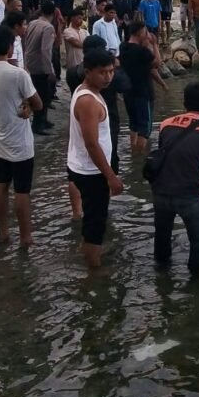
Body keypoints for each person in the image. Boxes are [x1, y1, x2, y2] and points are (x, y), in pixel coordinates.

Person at [150, 82, 199, 278]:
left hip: (161, 192)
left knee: (162, 235)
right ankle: (196, 282)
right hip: (191, 196)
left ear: (184, 102)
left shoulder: (165, 124)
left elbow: (162, 156)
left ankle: (162, 274)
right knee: (198, 242)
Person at [0, 25, 42, 246]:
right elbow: (38, 103)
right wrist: (28, 107)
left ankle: (4, 232)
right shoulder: (18, 74)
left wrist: (24, 104)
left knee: (2, 185)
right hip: (19, 139)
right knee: (22, 190)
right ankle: (26, 236)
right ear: (9, 47)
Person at [67, 48, 123, 267]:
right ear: (88, 72)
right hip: (91, 172)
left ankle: (90, 250)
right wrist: (110, 176)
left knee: (93, 217)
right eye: (102, 72)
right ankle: (94, 269)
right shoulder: (89, 101)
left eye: (111, 72)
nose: (108, 77)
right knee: (95, 222)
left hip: (82, 165)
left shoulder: (87, 91)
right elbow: (91, 143)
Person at [66, 35, 128, 175]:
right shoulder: (104, 79)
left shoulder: (72, 73)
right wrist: (116, 69)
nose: (107, 76)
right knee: (109, 157)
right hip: (107, 121)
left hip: (79, 128)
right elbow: (126, 85)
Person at [120, 18, 167, 154]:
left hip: (128, 92)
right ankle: (139, 158)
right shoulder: (142, 51)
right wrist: (155, 44)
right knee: (144, 128)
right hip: (143, 92)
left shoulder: (123, 47)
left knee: (133, 124)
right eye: (145, 32)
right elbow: (157, 63)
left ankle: (133, 149)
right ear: (141, 33)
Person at [23, 0, 56, 135]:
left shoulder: (32, 23)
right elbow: (45, 50)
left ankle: (43, 120)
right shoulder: (48, 27)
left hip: (29, 61)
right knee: (43, 94)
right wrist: (50, 70)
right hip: (40, 65)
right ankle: (38, 124)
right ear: (53, 13)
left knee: (39, 91)